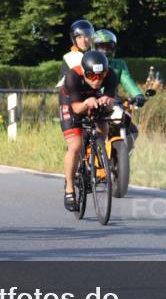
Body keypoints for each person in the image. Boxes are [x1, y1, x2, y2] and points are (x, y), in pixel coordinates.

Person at [59, 50, 118, 211]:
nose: (97, 80)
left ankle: (93, 154)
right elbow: (77, 108)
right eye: (92, 76)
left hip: (94, 99)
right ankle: (69, 188)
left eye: (101, 76)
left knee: (103, 126)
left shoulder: (111, 75)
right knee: (75, 145)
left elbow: (112, 98)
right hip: (72, 102)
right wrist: (86, 103)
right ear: (85, 73)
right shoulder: (73, 76)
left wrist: (108, 101)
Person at [92, 28, 145, 146]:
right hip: (92, 102)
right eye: (101, 47)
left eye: (108, 47)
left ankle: (119, 161)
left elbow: (127, 81)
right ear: (93, 47)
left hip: (113, 101)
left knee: (133, 131)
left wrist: (138, 95)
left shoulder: (119, 64)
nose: (104, 51)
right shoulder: (88, 62)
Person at [56, 19, 95, 88]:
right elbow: (61, 85)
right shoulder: (69, 58)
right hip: (76, 95)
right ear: (74, 40)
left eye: (86, 36)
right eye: (79, 37)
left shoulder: (98, 54)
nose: (83, 41)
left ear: (91, 37)